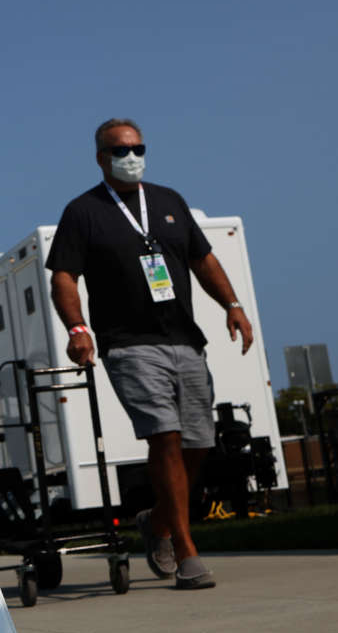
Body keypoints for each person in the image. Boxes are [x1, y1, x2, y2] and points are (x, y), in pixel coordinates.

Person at [46, 118, 253, 591]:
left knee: (198, 444)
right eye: (121, 150)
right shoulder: (84, 212)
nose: (132, 155)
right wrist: (78, 328)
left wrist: (233, 306)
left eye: (138, 147)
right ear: (101, 157)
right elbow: (63, 276)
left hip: (185, 340)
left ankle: (157, 521)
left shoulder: (169, 201)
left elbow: (203, 259)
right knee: (165, 436)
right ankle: (185, 552)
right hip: (129, 344)